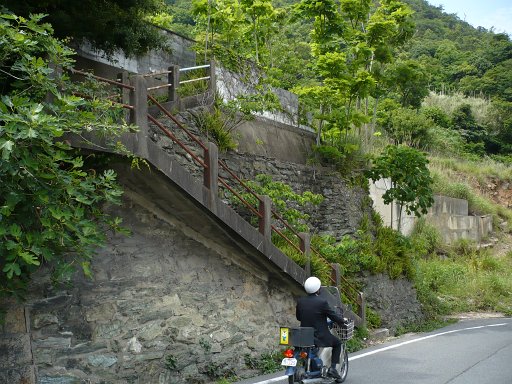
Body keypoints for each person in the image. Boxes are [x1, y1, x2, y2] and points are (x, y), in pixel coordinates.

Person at [296, 276, 345, 381]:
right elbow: (332, 316)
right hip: (319, 335)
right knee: (337, 343)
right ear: (318, 289)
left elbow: (299, 317)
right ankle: (332, 369)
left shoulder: (301, 301)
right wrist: (342, 320)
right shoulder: (322, 302)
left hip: (304, 335)